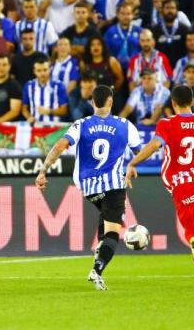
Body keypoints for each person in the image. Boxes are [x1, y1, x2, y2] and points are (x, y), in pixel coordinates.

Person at [37, 85, 142, 291]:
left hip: (88, 187)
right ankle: (97, 270)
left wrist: (43, 170)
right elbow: (140, 152)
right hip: (113, 185)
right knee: (113, 232)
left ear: (92, 102)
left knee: (106, 217)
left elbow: (59, 146)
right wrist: (132, 167)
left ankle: (99, 250)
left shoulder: (80, 124)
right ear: (111, 102)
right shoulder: (126, 125)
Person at [127, 85, 194, 291]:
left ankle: (193, 240)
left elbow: (154, 146)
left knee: (191, 225)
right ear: (193, 102)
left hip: (179, 182)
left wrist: (132, 163)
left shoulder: (166, 123)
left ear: (173, 103)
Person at [21, 56, 68, 123]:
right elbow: (24, 109)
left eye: (45, 70)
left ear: (50, 69)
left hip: (55, 127)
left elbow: (64, 110)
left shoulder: (59, 85)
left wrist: (49, 111)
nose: (42, 73)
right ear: (34, 71)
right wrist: (29, 117)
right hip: (35, 126)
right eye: (39, 70)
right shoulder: (28, 86)